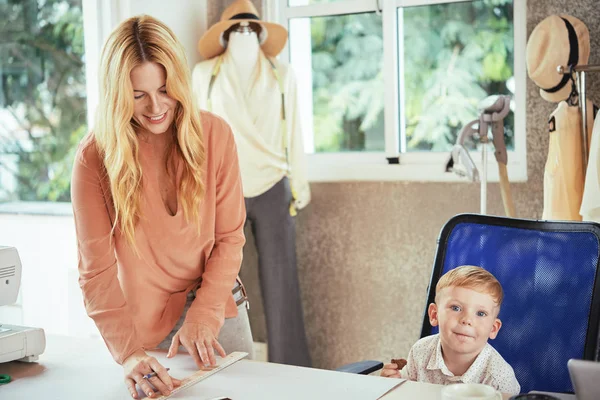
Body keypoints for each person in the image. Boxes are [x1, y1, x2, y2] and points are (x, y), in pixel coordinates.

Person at [71, 15, 252, 399]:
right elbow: (96, 274)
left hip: (217, 308)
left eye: (166, 89)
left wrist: (205, 312)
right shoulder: (94, 159)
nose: (156, 106)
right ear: (118, 93)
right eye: (138, 95)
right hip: (145, 330)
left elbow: (229, 237)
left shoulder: (215, 135)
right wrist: (129, 355)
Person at [191, 0, 312, 367]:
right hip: (221, 187)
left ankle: (292, 370)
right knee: (217, 283)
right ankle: (218, 361)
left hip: (274, 184)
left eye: (250, 28)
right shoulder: (204, 74)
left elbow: (295, 131)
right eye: (237, 29)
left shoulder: (281, 73)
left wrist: (299, 185)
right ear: (225, 35)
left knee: (281, 285)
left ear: (260, 33)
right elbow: (194, 137)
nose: (244, 33)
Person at [381, 266, 520, 395]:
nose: (467, 319)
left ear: (493, 328)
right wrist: (393, 383)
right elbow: (407, 391)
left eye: (480, 313)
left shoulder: (499, 379)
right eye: (456, 308)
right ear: (434, 315)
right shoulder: (420, 351)